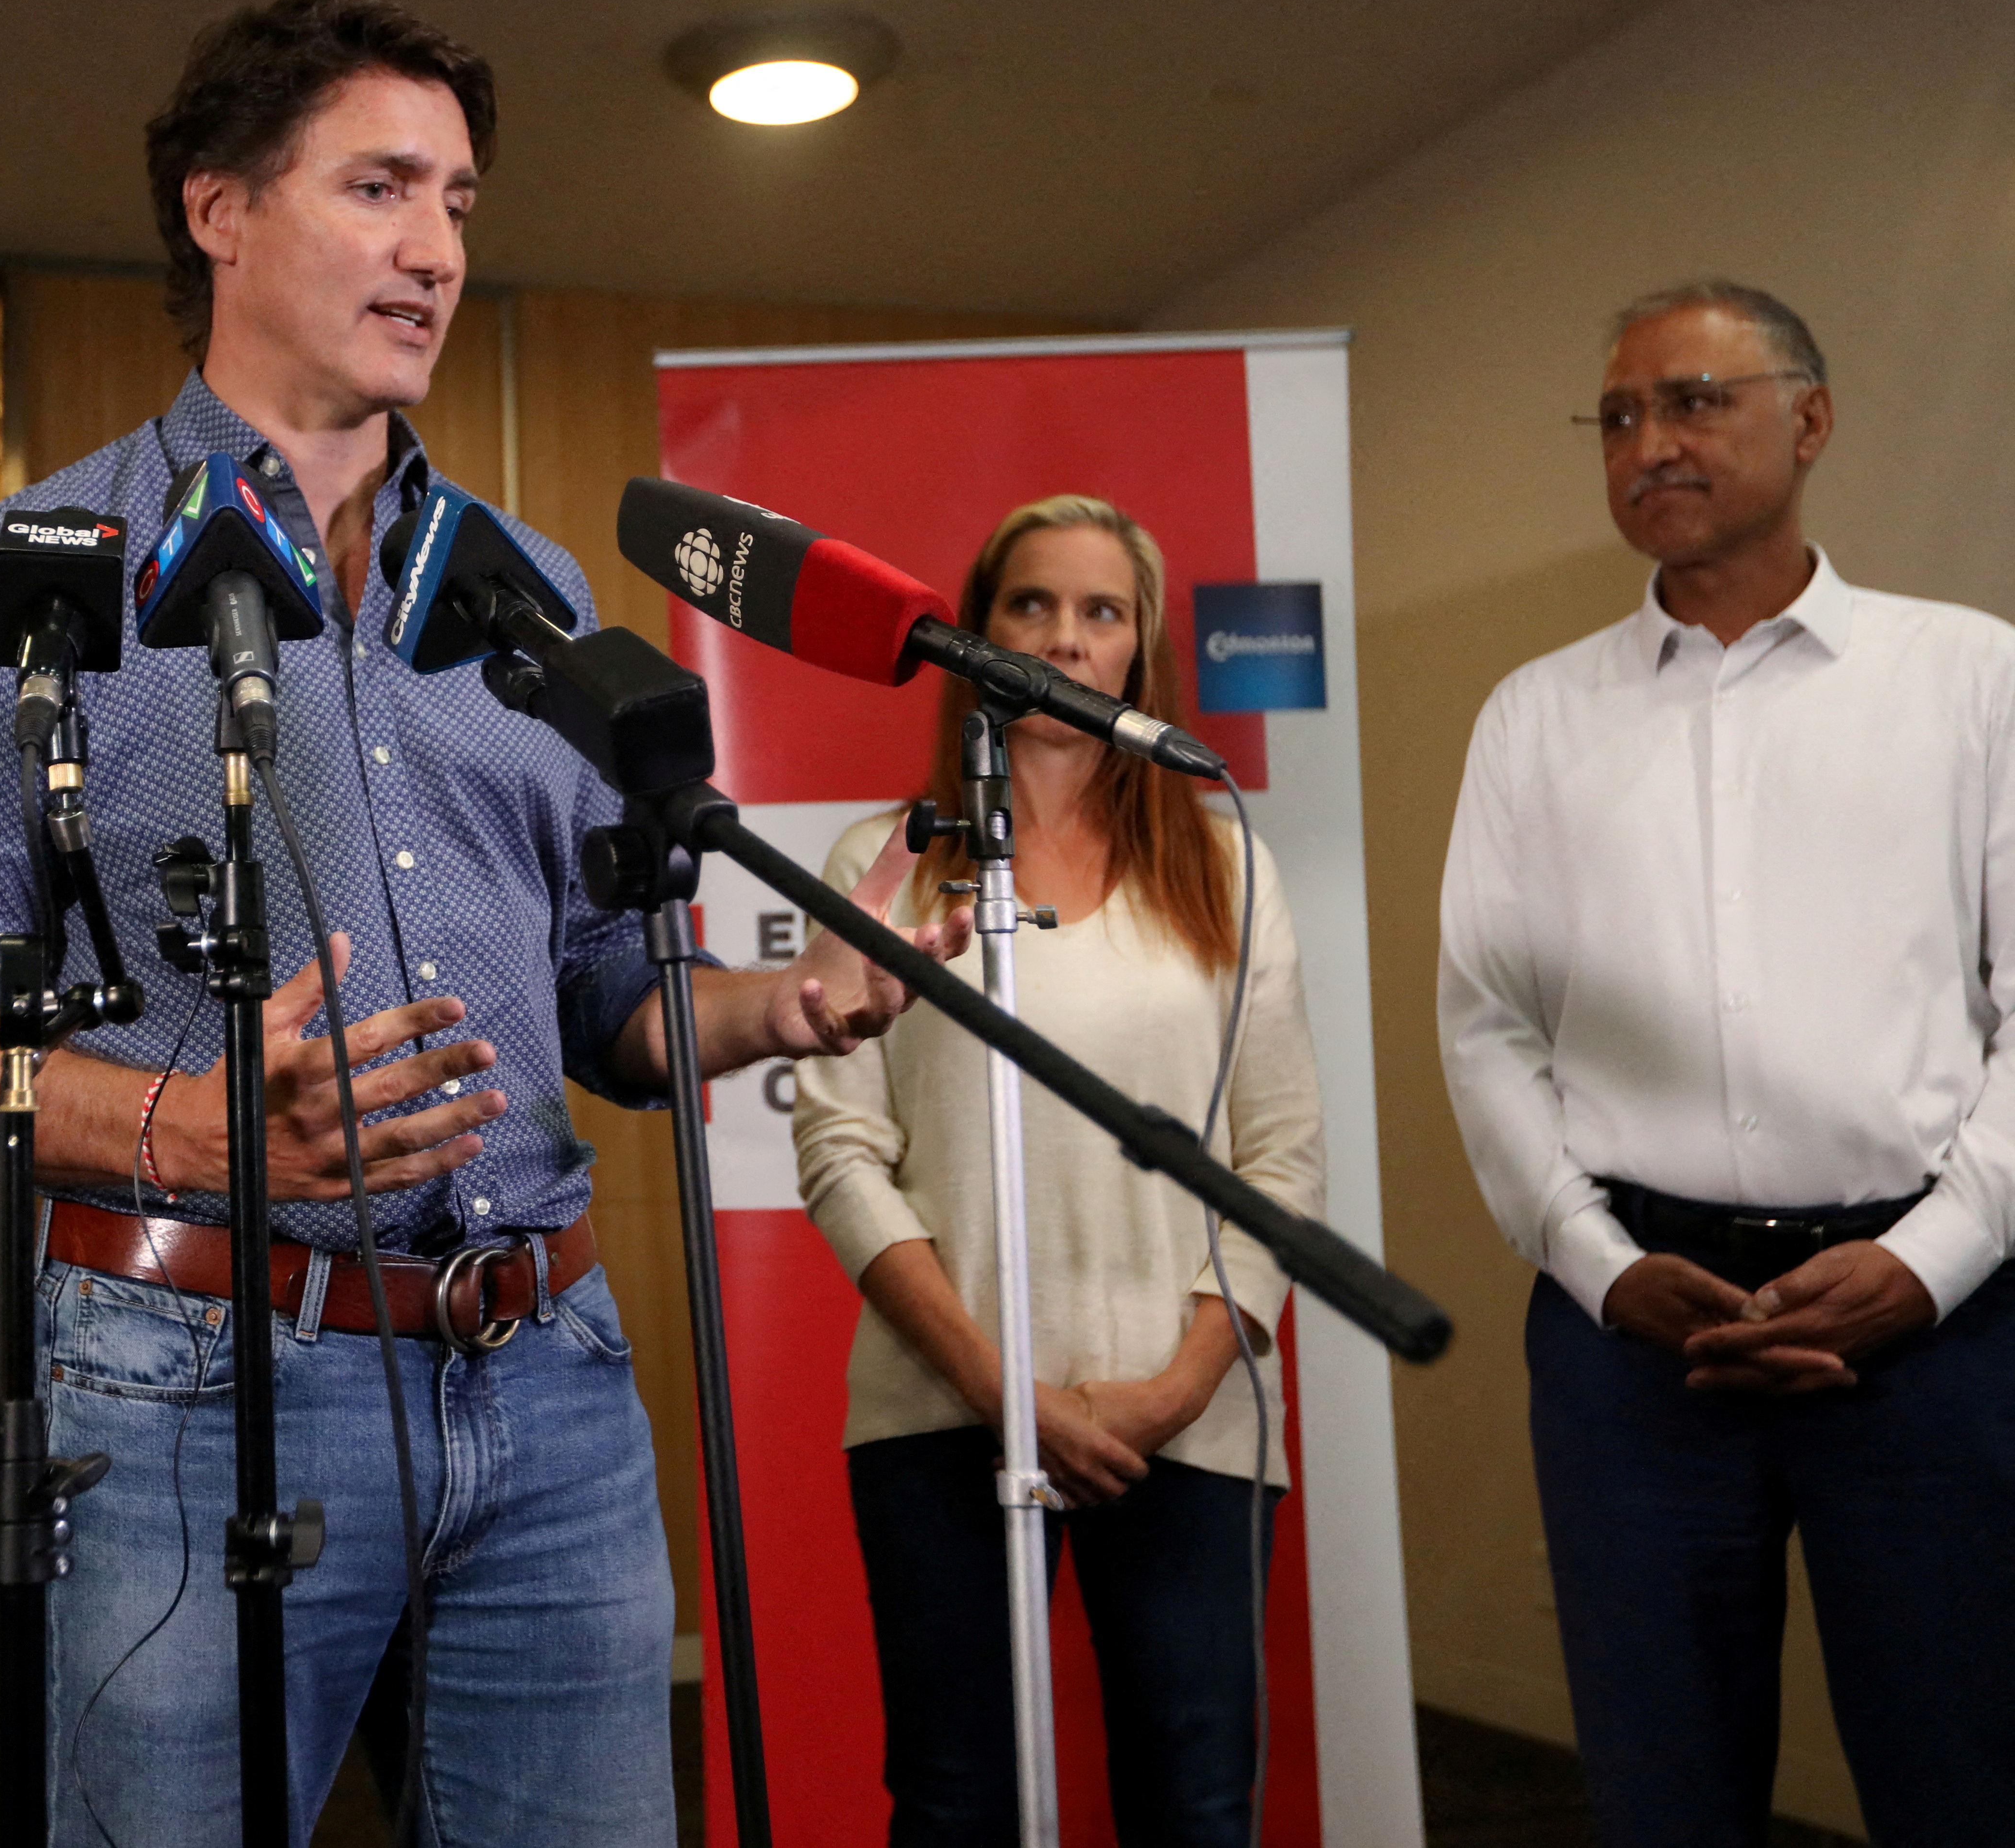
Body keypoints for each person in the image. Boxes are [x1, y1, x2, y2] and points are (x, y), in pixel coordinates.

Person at [0, 0, 962, 1847]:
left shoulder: (522, 584)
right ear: (220, 211)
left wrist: (786, 1005)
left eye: (460, 203)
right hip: (195, 1372)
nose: (434, 249)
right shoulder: (49, 562)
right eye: (379, 188)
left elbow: (605, 998)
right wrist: (198, 1127)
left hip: (553, 1378)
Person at [1439, 280, 2015, 1847]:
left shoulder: (1972, 679)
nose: (1651, 442)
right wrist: (1600, 1264)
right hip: (1640, 1337)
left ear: (1811, 421)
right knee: (1661, 1799)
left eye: (1694, 401)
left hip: (1932, 1326)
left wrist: (1933, 1259)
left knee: (1964, 1778)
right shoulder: (1534, 719)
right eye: (1620, 416)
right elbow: (1487, 1027)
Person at [793, 495, 1325, 1848]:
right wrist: (1001, 1391)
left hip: (1186, 1420)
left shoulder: (1224, 867)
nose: (1067, 641)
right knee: (957, 1801)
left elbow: (1283, 1154)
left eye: (1103, 613)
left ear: (1141, 652)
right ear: (977, 636)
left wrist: (1180, 1385)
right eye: (1032, 605)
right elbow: (843, 1148)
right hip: (943, 1413)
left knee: (1196, 1806)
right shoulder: (886, 864)